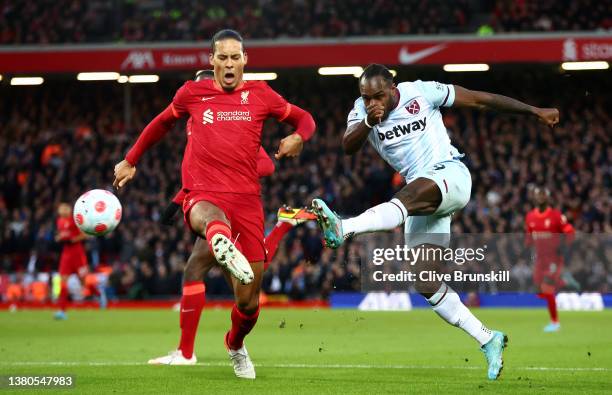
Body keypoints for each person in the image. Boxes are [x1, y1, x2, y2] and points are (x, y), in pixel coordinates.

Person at [311, 63, 559, 380]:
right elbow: (348, 145)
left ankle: (344, 227)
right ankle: (488, 337)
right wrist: (368, 122)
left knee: (405, 197)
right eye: (367, 96)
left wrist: (534, 111)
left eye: (379, 95)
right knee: (426, 281)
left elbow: (479, 99)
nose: (373, 101)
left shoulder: (420, 92)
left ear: (392, 86)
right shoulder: (361, 112)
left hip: (450, 176)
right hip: (424, 197)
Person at [113, 29, 316, 379]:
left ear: (245, 60)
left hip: (247, 203)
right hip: (204, 196)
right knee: (209, 222)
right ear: (211, 61)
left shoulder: (261, 95)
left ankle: (235, 344)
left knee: (249, 303)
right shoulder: (192, 94)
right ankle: (219, 239)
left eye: (235, 57)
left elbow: (305, 118)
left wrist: (299, 136)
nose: (228, 63)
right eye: (221, 57)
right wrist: (131, 159)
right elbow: (160, 124)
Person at [525, 186, 577, 332]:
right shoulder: (530, 216)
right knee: (538, 290)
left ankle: (555, 322)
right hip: (539, 260)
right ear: (535, 197)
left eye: (543, 195)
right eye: (538, 195)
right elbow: (529, 238)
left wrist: (565, 247)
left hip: (554, 259)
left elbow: (570, 232)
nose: (540, 197)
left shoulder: (556, 215)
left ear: (548, 198)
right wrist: (527, 250)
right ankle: (563, 282)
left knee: (547, 288)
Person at [53, 203, 105, 319]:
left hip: (78, 254)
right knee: (63, 283)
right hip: (66, 255)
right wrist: (59, 238)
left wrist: (73, 240)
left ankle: (99, 295)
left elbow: (86, 235)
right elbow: (61, 234)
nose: (63, 210)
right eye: (61, 208)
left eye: (65, 208)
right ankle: (62, 311)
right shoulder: (59, 221)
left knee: (84, 282)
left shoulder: (76, 220)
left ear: (70, 210)